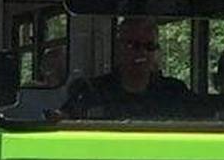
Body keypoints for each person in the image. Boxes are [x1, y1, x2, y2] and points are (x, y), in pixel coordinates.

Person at [59, 17, 192, 120]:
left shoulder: (174, 92)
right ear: (118, 48)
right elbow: (63, 123)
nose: (142, 52)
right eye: (133, 45)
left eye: (150, 46)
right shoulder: (89, 91)